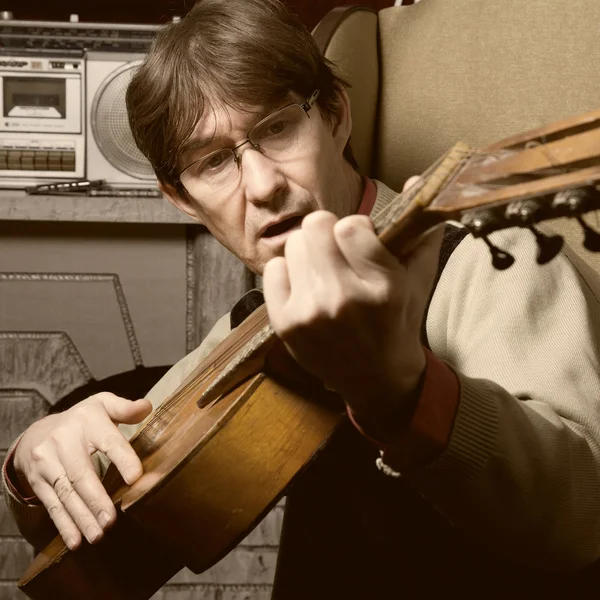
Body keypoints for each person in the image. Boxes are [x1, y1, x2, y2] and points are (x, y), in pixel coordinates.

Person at [4, 0, 600, 596]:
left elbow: (584, 512)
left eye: (279, 127)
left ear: (336, 115)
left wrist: (400, 393)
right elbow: (97, 498)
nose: (263, 186)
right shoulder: (254, 321)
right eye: (213, 162)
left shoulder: (492, 259)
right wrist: (35, 459)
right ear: (182, 198)